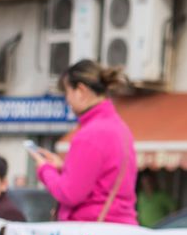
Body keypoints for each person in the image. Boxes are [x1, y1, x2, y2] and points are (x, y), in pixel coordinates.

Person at [29, 60, 138, 224]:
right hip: (118, 228)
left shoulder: (90, 134)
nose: (67, 100)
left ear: (80, 90)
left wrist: (45, 169)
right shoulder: (119, 128)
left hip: (91, 232)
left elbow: (69, 193)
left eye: (67, 92)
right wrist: (62, 167)